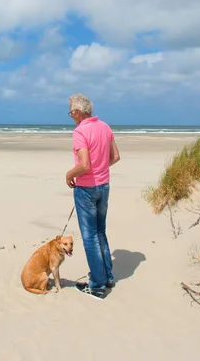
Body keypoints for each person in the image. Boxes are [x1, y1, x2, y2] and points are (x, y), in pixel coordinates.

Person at [66, 93, 120, 299]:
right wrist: (100, 169)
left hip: (87, 189)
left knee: (90, 237)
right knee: (100, 232)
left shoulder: (80, 132)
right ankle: (107, 277)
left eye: (71, 113)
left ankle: (97, 285)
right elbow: (115, 157)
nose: (71, 117)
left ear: (78, 112)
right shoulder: (105, 127)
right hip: (104, 186)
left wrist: (69, 174)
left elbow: (84, 165)